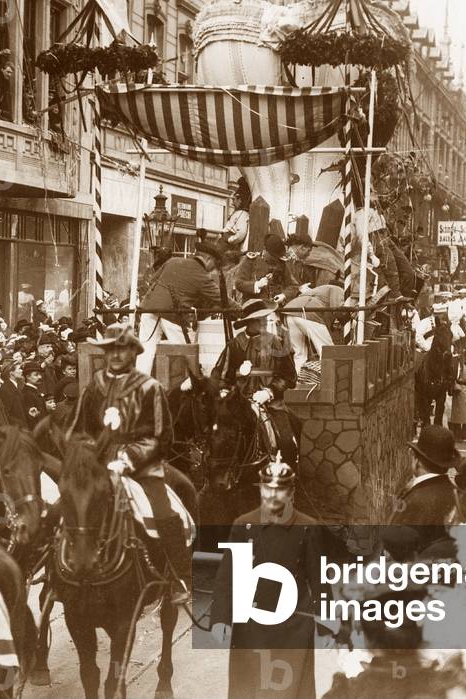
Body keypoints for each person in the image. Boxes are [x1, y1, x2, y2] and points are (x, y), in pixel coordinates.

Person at [67, 323, 191, 604]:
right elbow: (78, 430)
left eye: (121, 349)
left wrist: (127, 459)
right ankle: (53, 571)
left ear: (133, 352)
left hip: (142, 468)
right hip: (98, 465)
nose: (115, 354)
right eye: (110, 349)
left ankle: (180, 577)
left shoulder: (150, 388)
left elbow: (161, 437)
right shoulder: (93, 387)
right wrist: (86, 456)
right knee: (68, 506)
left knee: (164, 512)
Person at [210, 455, 322, 699]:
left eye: (280, 489)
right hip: (251, 625)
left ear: (291, 492)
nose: (273, 495)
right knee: (249, 687)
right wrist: (221, 618)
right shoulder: (243, 525)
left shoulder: (307, 527)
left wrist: (328, 621)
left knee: (290, 689)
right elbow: (227, 576)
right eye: (267, 488)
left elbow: (318, 579)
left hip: (293, 625)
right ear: (260, 488)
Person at [213, 299, 300, 466]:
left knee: (288, 443)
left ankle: (289, 482)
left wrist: (269, 392)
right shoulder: (234, 345)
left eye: (265, 317)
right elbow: (221, 376)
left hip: (272, 403)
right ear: (249, 322)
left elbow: (289, 376)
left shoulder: (277, 342)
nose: (265, 321)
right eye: (260, 318)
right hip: (239, 403)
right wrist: (225, 392)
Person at [137, 238, 229, 376]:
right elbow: (222, 299)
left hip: (149, 308)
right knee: (187, 351)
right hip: (171, 313)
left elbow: (152, 280)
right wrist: (243, 310)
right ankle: (194, 385)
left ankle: (138, 388)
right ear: (208, 259)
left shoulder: (172, 261)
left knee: (145, 352)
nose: (213, 270)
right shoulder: (202, 276)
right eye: (214, 265)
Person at [234, 234, 300, 304]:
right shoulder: (251, 261)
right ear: (265, 250)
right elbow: (239, 283)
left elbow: (293, 286)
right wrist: (257, 285)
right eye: (273, 256)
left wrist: (284, 295)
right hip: (254, 307)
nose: (276, 259)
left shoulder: (281, 263)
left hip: (275, 308)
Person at [221, 178, 251, 255]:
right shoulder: (239, 213)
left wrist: (229, 239)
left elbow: (241, 233)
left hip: (227, 245)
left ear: (240, 200)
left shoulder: (242, 214)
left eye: (234, 200)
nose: (233, 203)